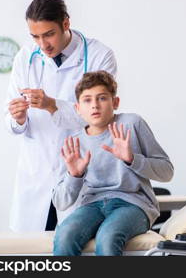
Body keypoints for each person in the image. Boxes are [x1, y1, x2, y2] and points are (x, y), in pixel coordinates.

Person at [5, 0, 117, 232]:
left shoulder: (99, 56)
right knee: (33, 255)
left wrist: (51, 104)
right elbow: (10, 121)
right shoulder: (25, 57)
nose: (43, 45)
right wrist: (18, 118)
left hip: (83, 175)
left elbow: (100, 116)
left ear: (66, 23)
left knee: (75, 250)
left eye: (49, 34)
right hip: (37, 173)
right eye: (35, 36)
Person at [52, 71, 174, 256]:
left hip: (133, 205)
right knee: (64, 235)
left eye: (102, 98)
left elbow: (167, 172)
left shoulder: (132, 124)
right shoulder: (74, 143)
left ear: (115, 102)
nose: (94, 105)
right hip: (91, 205)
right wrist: (74, 175)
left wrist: (132, 159)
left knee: (108, 237)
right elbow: (60, 202)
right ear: (78, 108)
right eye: (87, 100)